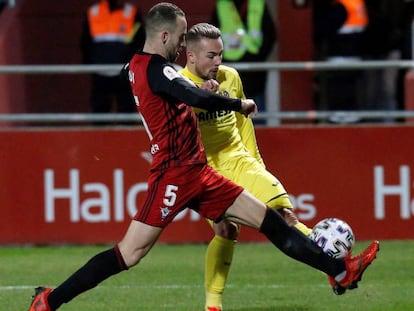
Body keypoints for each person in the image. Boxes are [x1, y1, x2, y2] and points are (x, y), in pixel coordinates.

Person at [28, 3, 379, 310]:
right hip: (174, 176)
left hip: (201, 173)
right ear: (164, 36)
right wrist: (237, 104)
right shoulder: (158, 69)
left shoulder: (135, 66)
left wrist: (197, 91)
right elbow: (192, 97)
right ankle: (50, 300)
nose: (183, 46)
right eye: (181, 38)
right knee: (128, 254)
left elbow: (177, 94)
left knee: (271, 221)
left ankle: (339, 271)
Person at [180, 22, 312, 311]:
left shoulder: (231, 77)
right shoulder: (177, 83)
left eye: (220, 55)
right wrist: (202, 97)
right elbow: (175, 126)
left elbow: (243, 124)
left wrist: (256, 164)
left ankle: (334, 261)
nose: (218, 63)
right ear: (190, 56)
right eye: (210, 56)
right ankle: (213, 304)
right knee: (226, 230)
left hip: (239, 160)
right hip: (205, 169)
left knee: (284, 214)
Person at [210, 0, 276, 124]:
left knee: (257, 122)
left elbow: (270, 35)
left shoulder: (258, 4)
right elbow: (212, 37)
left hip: (255, 74)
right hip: (229, 72)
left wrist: (257, 58)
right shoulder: (222, 5)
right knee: (231, 122)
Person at [81, 0, 145, 120]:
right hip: (99, 74)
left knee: (126, 113)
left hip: (124, 73)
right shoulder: (93, 12)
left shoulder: (132, 13)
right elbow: (85, 43)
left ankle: (126, 138)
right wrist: (90, 64)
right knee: (99, 114)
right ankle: (98, 138)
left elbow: (140, 41)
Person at [313, 0, 368, 123]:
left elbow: (323, 29)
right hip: (356, 57)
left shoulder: (341, 7)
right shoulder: (357, 4)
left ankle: (340, 121)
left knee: (339, 93)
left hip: (340, 57)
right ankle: (351, 120)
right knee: (351, 94)